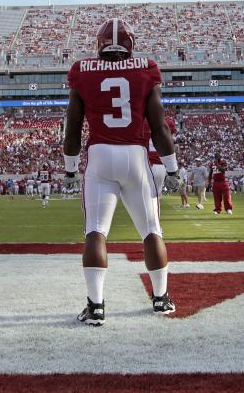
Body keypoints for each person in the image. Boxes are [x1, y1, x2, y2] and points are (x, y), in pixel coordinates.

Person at [63, 18, 179, 326]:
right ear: (130, 45)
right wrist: (172, 168)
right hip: (137, 156)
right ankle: (160, 299)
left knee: (96, 231)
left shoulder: (82, 71)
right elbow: (158, 124)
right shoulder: (145, 68)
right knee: (152, 230)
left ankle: (96, 306)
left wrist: (70, 168)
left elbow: (72, 126)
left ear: (99, 45)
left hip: (100, 156)